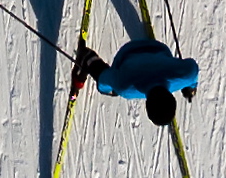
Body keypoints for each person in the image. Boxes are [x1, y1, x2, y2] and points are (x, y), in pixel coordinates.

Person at [73, 33, 201, 127]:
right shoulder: (127, 88)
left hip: (158, 48)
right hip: (126, 53)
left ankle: (88, 59)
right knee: (108, 87)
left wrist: (190, 86)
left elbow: (193, 69)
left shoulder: (186, 75)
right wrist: (103, 87)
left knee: (116, 81)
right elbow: (105, 77)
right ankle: (87, 58)